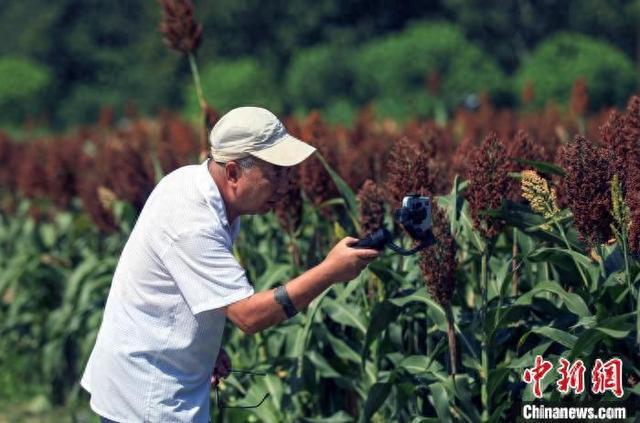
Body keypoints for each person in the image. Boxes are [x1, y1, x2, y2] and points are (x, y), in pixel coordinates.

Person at [80, 106, 380, 422]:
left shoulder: (192, 184)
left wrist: (203, 348)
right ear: (234, 172)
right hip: (148, 397)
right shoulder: (193, 222)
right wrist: (329, 271)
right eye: (274, 173)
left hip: (147, 376)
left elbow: (177, 289)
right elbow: (249, 316)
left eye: (287, 173)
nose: (285, 185)